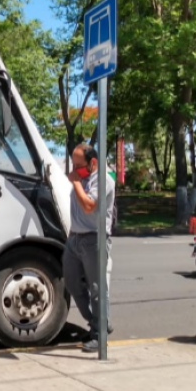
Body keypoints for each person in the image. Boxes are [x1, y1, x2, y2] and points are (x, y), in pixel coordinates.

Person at [63, 143, 115, 353]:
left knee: (96, 289)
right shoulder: (82, 178)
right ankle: (99, 322)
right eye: (73, 165)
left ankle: (98, 333)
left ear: (92, 162)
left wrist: (75, 182)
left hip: (94, 238)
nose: (75, 170)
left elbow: (88, 205)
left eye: (79, 165)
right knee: (71, 282)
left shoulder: (104, 180)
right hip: (74, 238)